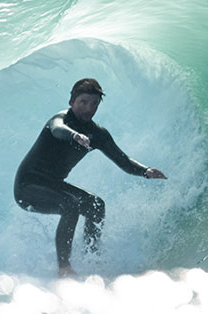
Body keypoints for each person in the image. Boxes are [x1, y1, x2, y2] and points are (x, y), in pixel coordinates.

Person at [14, 78, 167, 276]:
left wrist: (146, 171)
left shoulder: (97, 134)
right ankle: (64, 268)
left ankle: (91, 257)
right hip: (27, 186)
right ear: (72, 101)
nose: (89, 108)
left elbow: (123, 161)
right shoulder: (60, 120)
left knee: (96, 205)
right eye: (83, 102)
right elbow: (57, 130)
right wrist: (74, 135)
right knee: (70, 205)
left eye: (94, 103)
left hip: (53, 185)